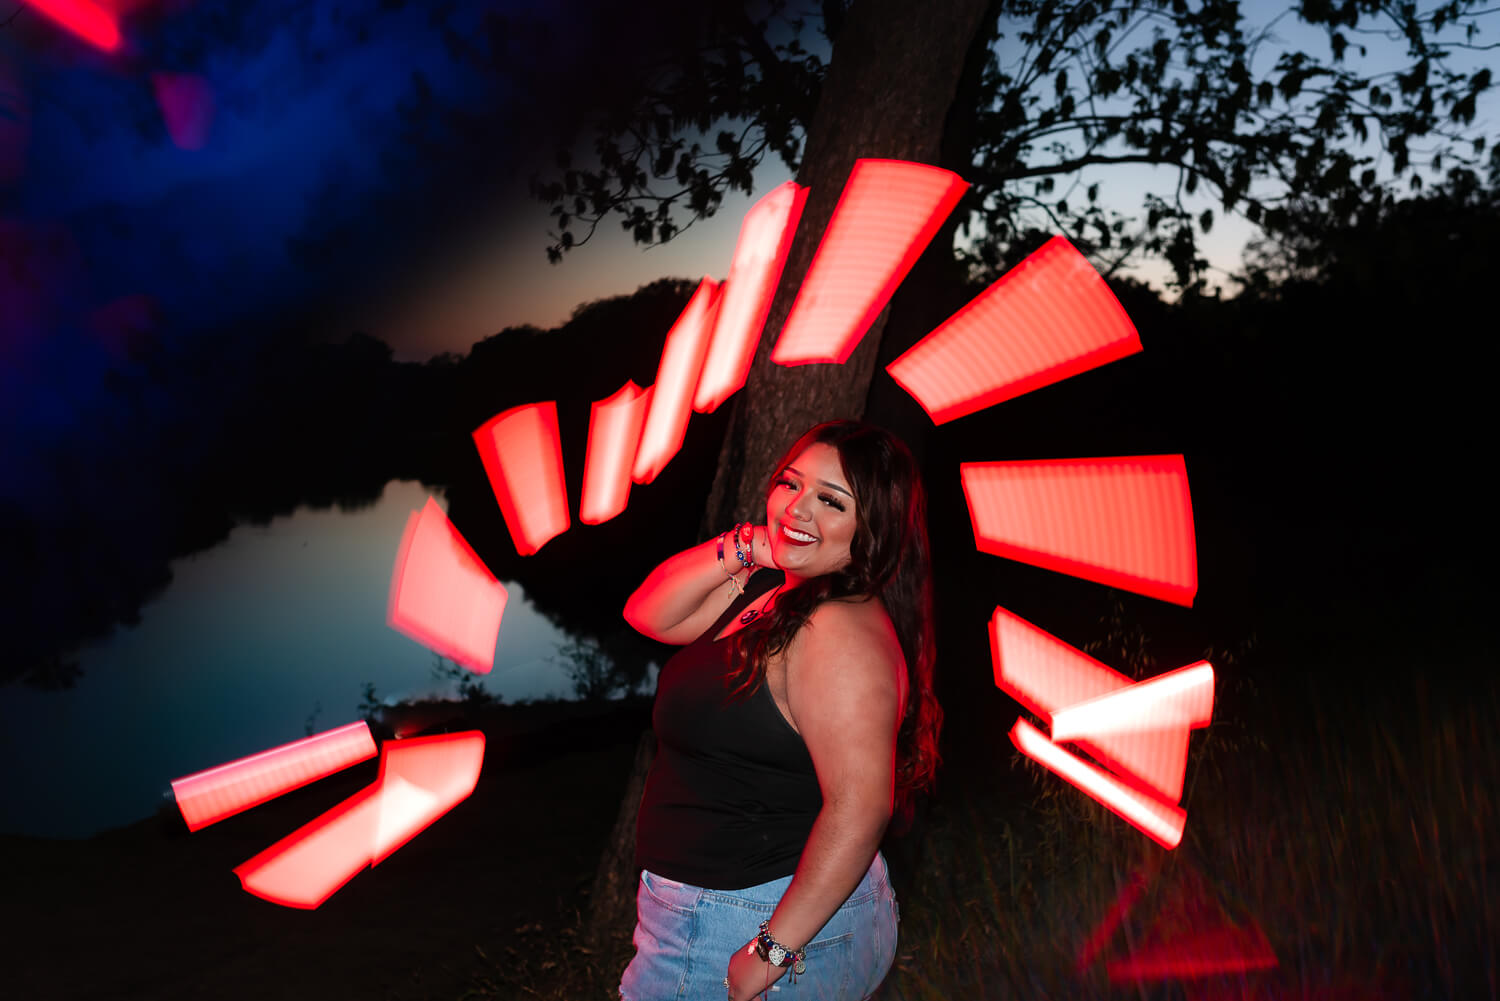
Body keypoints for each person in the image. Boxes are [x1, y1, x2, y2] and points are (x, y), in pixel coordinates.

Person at [619, 419, 941, 1001]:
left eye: (830, 501)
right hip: (725, 908)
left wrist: (773, 950)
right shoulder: (778, 595)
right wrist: (749, 546)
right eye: (791, 485)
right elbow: (649, 614)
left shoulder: (835, 628)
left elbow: (862, 805)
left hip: (749, 916)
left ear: (872, 528)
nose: (797, 509)